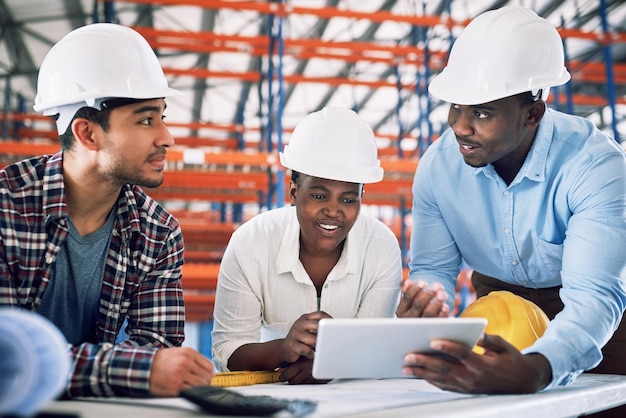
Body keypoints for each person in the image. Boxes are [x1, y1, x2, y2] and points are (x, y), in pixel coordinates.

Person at [398, 4, 626, 410]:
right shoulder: (438, 168)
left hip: (599, 323)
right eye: (455, 106)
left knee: (603, 402)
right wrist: (429, 298)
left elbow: (593, 297)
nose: (459, 126)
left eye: (481, 113)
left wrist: (539, 367)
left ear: (532, 113)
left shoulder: (595, 166)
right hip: (502, 308)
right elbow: (433, 270)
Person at [0, 23, 214, 398]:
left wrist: (140, 369)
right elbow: (8, 358)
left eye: (162, 117)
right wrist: (129, 369)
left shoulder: (158, 233)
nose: (167, 137)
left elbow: (156, 351)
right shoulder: (7, 210)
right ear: (88, 133)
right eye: (146, 120)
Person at [211, 106, 404, 384]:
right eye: (318, 195)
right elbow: (227, 351)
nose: (334, 211)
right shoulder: (250, 244)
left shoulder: (381, 248)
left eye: (348, 200)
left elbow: (371, 348)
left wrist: (333, 360)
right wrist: (282, 348)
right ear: (293, 192)